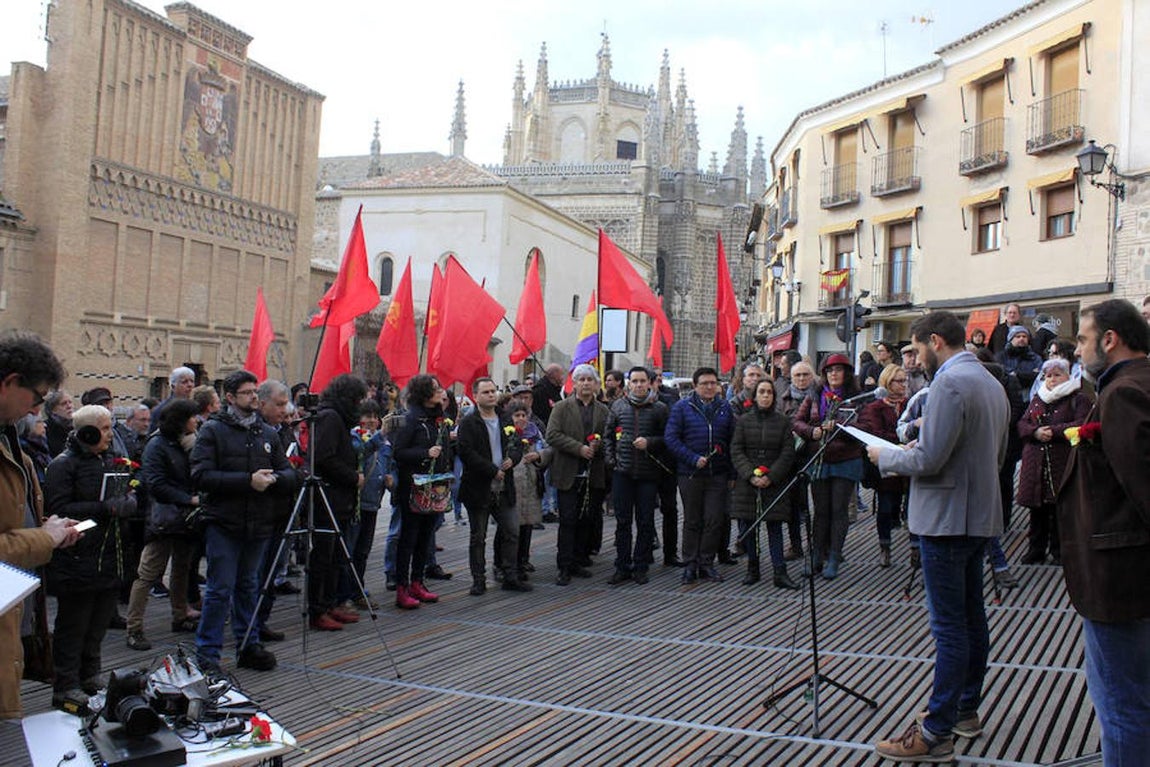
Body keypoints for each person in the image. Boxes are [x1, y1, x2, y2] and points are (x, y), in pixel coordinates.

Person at [868, 311, 1009, 763]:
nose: (914, 359)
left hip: (946, 520)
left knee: (950, 629)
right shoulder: (989, 380)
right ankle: (965, 710)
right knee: (972, 619)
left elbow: (929, 461)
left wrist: (887, 456)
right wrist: (922, 449)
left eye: (916, 349)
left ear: (934, 341)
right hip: (977, 515)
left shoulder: (948, 383)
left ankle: (935, 731)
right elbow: (993, 454)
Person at [1057, 299, 1150, 766]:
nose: (1077, 350)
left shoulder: (1124, 394)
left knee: (1121, 706)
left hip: (1121, 580)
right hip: (1130, 576)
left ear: (1109, 340)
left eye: (1083, 339)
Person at [191, 370, 295, 674]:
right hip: (224, 521)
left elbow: (288, 472)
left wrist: (274, 479)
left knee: (249, 586)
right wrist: (247, 481)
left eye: (255, 392)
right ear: (230, 397)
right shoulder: (213, 431)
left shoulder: (267, 433)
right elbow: (201, 476)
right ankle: (207, 654)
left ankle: (248, 644)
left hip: (259, 522)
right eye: (247, 393)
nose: (253, 397)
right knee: (219, 590)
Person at [0, 332, 81, 720]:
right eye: (36, 398)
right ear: (10, 382)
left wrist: (48, 528)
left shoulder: (10, 439)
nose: (36, 410)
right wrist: (43, 538)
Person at [45, 404, 134, 715]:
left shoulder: (111, 459)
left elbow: (127, 492)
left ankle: (90, 675)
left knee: (97, 623)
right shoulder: (63, 465)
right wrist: (104, 508)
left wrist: (128, 502)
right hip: (77, 556)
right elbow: (58, 509)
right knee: (74, 625)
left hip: (108, 556)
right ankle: (65, 684)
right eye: (105, 428)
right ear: (87, 431)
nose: (110, 435)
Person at [126, 399, 202, 651]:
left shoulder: (187, 442)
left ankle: (180, 614)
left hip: (184, 518)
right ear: (181, 420)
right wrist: (188, 499)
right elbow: (156, 484)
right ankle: (134, 627)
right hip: (165, 518)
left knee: (182, 567)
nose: (196, 421)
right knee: (148, 573)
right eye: (192, 417)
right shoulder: (157, 445)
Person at [792, 354, 864, 579]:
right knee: (821, 510)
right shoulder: (815, 395)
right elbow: (796, 421)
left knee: (839, 510)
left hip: (846, 459)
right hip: (820, 459)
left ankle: (834, 556)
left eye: (838, 370)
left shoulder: (856, 397)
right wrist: (811, 431)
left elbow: (863, 427)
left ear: (846, 373)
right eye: (830, 370)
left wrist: (839, 426)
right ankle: (816, 556)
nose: (834, 374)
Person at [664, 366, 736, 584]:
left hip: (718, 474)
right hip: (690, 474)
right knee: (692, 520)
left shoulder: (725, 408)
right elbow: (671, 438)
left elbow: (733, 442)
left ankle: (706, 563)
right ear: (695, 386)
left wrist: (732, 474)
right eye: (705, 383)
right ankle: (690, 564)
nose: (709, 387)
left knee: (714, 519)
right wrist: (692, 458)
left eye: (713, 383)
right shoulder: (682, 407)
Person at [1016, 359, 1091, 566]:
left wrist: (1053, 432)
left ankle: (1060, 551)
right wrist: (1035, 432)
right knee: (1037, 508)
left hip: (1062, 459)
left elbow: (1082, 423)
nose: (1052, 379)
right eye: (1048, 376)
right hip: (1036, 462)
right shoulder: (1038, 398)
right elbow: (1022, 423)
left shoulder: (1078, 398)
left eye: (1057, 375)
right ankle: (1036, 550)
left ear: (1068, 376)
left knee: (1060, 508)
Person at [306, 374, 367, 629]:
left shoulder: (338, 417)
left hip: (340, 498)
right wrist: (353, 477)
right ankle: (317, 609)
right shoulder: (330, 417)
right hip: (328, 496)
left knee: (336, 556)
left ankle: (330, 603)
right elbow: (323, 457)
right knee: (324, 555)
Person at [457, 377, 526, 594]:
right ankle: (478, 579)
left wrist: (512, 459)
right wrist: (491, 470)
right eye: (485, 392)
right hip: (479, 487)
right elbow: (466, 453)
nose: (491, 395)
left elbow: (517, 445)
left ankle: (510, 575)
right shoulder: (469, 422)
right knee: (478, 536)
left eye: (493, 391)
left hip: (504, 486)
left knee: (511, 530)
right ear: (475, 396)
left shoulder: (505, 419)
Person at [391, 374, 454, 609]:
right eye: (435, 389)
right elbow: (399, 452)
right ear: (424, 393)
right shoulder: (411, 419)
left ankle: (418, 582)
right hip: (413, 487)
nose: (440, 392)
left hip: (434, 486)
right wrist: (424, 454)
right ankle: (402, 586)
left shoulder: (439, 419)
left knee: (426, 537)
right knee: (408, 538)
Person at [730, 379, 798, 589]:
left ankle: (780, 571)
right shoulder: (743, 421)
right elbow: (736, 450)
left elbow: (788, 452)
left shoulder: (783, 422)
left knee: (775, 527)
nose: (766, 395)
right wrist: (750, 475)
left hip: (774, 481)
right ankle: (753, 568)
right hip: (748, 482)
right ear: (755, 396)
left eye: (769, 392)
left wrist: (772, 476)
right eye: (762, 392)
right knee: (750, 527)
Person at [604, 367, 668, 586]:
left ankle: (641, 566)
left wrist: (650, 442)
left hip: (648, 474)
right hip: (622, 472)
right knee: (623, 522)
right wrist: (611, 461)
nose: (639, 385)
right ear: (629, 384)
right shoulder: (618, 406)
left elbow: (667, 439)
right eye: (635, 381)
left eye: (642, 381)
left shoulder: (660, 408)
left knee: (645, 521)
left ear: (649, 383)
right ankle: (622, 566)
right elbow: (608, 436)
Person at [547, 364, 610, 585]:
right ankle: (564, 565)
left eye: (589, 379)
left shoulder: (603, 410)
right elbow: (552, 435)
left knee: (586, 519)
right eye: (581, 379)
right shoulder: (561, 408)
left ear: (596, 384)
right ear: (574, 384)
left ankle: (578, 560)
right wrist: (578, 448)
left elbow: (609, 438)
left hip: (593, 473)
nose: (585, 383)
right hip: (568, 471)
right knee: (568, 519)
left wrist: (598, 446)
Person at [858, 364, 909, 568]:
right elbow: (877, 434)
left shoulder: (910, 403)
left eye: (905, 381)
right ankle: (884, 547)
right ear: (887, 382)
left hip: (909, 463)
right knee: (886, 507)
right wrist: (903, 440)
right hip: (886, 464)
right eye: (899, 381)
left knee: (910, 506)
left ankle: (915, 548)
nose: (903, 385)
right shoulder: (875, 407)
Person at [779, 360, 819, 560]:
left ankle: (818, 546)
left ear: (812, 376)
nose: (802, 378)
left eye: (806, 374)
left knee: (819, 505)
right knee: (795, 505)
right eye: (798, 375)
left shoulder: (820, 395)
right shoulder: (783, 398)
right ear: (791, 378)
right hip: (793, 457)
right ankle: (796, 545)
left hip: (816, 454)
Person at [507, 402, 550, 577]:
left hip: (531, 483)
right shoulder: (507, 433)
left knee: (528, 525)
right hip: (513, 484)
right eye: (517, 415)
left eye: (523, 415)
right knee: (511, 527)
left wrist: (539, 455)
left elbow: (548, 450)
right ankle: (506, 563)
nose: (521, 419)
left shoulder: (535, 432)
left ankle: (523, 560)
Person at [150, 366, 196, 432]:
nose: (190, 385)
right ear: (173, 386)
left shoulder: (195, 407)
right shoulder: (162, 409)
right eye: (184, 382)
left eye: (192, 381)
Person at [997, 325, 1044, 392]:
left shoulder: (1035, 358)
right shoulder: (1002, 356)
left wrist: (1016, 375)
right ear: (1011, 339)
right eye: (1018, 336)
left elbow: (1039, 376)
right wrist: (1029, 375)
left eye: (1024, 336)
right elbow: (1002, 375)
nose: (1021, 339)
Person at [43, 389, 73, 457]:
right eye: (64, 404)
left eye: (70, 402)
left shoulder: (77, 426)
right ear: (53, 410)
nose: (69, 406)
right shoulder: (45, 429)